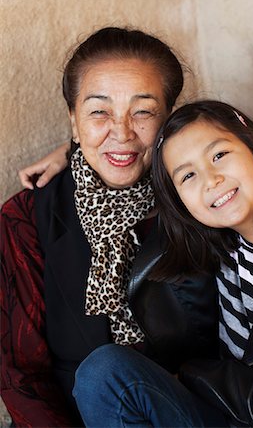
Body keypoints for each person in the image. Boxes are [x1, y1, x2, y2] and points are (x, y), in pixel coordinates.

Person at [1, 28, 226, 427]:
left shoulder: (204, 196)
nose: (121, 132)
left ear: (169, 120)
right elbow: (21, 377)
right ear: (73, 121)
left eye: (143, 111)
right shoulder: (24, 219)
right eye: (99, 112)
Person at [71, 100, 253, 427]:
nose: (211, 179)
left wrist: (193, 375)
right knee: (102, 373)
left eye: (219, 155)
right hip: (220, 412)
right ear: (179, 202)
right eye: (188, 175)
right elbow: (126, 165)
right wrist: (72, 152)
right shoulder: (215, 243)